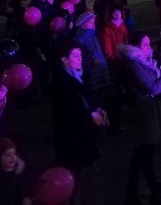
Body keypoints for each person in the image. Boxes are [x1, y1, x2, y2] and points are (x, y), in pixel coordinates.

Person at [50, 40, 107, 205]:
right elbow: (68, 111)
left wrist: (97, 108)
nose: (79, 58)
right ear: (64, 59)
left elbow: (88, 98)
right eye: (75, 55)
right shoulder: (61, 83)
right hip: (70, 137)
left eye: (80, 54)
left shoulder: (81, 75)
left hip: (83, 135)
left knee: (80, 176)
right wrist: (90, 115)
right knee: (69, 177)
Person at [117, 31, 161, 205]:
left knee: (141, 155)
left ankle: (132, 194)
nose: (149, 47)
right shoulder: (134, 64)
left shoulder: (144, 61)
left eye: (149, 44)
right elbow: (150, 88)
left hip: (151, 109)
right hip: (144, 112)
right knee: (145, 154)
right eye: (145, 45)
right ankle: (153, 193)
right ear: (135, 47)